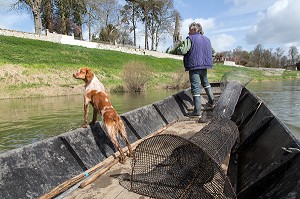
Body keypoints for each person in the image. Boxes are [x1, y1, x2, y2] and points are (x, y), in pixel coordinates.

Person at [177, 22, 215, 118]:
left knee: (195, 88)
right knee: (206, 83)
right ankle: (212, 101)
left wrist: (179, 49)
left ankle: (197, 111)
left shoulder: (190, 39)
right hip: (204, 66)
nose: (188, 32)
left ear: (195, 30)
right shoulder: (207, 40)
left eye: (190, 30)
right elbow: (213, 52)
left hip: (194, 66)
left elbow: (182, 50)